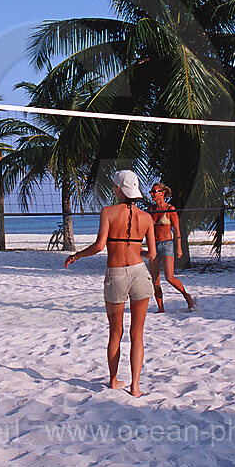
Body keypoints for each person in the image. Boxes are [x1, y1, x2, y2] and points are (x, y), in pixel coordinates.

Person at [64, 170, 155, 397]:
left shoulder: (108, 212)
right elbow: (152, 254)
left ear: (118, 189)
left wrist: (76, 255)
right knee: (138, 333)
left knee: (116, 332)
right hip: (140, 273)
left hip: (116, 274)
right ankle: (135, 387)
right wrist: (135, 249)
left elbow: (99, 246)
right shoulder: (147, 217)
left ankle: (114, 381)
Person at [147, 182, 197, 312]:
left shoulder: (170, 209)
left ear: (162, 193)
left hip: (167, 245)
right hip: (154, 246)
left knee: (169, 277)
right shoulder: (150, 210)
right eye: (151, 192)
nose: (152, 194)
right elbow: (145, 229)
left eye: (154, 192)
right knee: (155, 280)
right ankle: (161, 308)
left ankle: (187, 297)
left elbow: (177, 230)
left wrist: (179, 248)